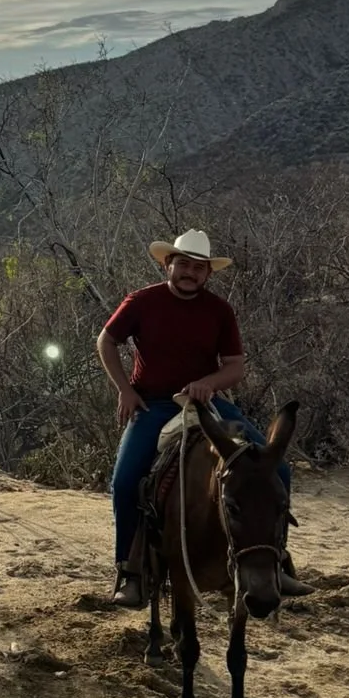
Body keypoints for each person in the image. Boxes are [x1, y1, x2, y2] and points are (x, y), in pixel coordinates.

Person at [98, 228, 310, 608]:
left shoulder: (219, 311)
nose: (190, 273)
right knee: (126, 479)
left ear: (208, 273)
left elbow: (234, 366)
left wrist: (208, 383)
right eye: (183, 265)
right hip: (153, 404)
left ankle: (278, 561)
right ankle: (129, 570)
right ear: (169, 264)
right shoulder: (142, 301)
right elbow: (106, 341)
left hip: (207, 403)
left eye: (199, 268)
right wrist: (125, 390)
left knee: (277, 469)